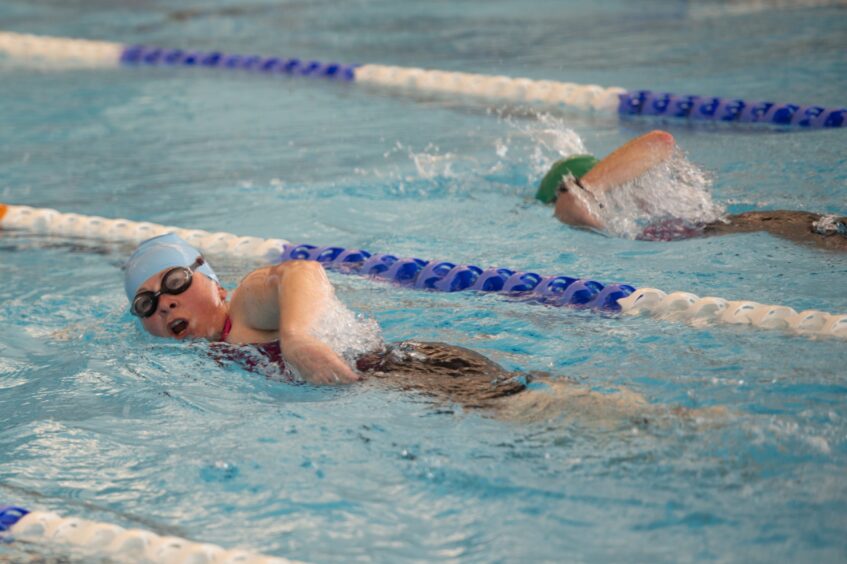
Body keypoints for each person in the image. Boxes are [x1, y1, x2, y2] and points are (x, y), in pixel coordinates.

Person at [124, 233, 721, 426]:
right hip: (391, 389)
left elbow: (300, 271)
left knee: (566, 415)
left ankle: (695, 428)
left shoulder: (247, 304)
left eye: (175, 283)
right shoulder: (204, 353)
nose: (165, 306)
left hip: (409, 370)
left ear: (214, 282)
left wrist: (300, 338)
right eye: (146, 305)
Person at [538, 130, 847, 250]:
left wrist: (584, 189)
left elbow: (660, 141)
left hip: (773, 226)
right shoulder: (623, 219)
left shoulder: (581, 197)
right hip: (773, 227)